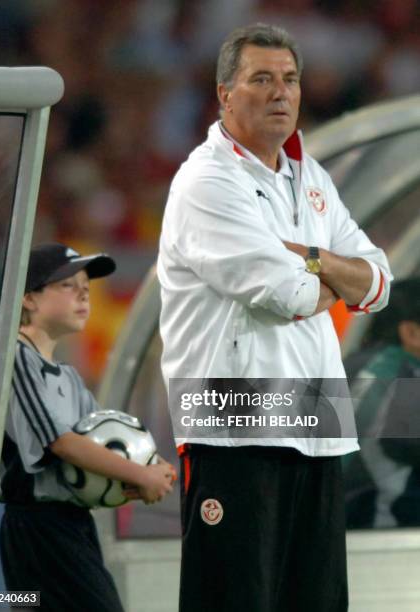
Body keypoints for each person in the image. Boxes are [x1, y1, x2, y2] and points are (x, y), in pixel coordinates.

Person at [157, 23, 392, 612]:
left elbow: (381, 281)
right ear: (224, 95)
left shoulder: (309, 176)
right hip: (233, 422)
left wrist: (314, 259)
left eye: (289, 79)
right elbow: (287, 294)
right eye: (261, 79)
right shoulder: (206, 180)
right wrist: (338, 280)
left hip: (317, 425)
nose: (280, 93)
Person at [0, 243, 176, 612]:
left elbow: (110, 438)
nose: (83, 292)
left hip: (72, 523)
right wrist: (138, 476)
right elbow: (63, 444)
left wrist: (154, 466)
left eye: (86, 286)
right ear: (29, 298)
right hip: (38, 529)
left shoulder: (68, 376)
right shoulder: (16, 359)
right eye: (67, 284)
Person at [344, 277, 420, 528]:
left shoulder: (350, 365)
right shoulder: (406, 376)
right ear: (411, 333)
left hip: (334, 532)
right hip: (382, 537)